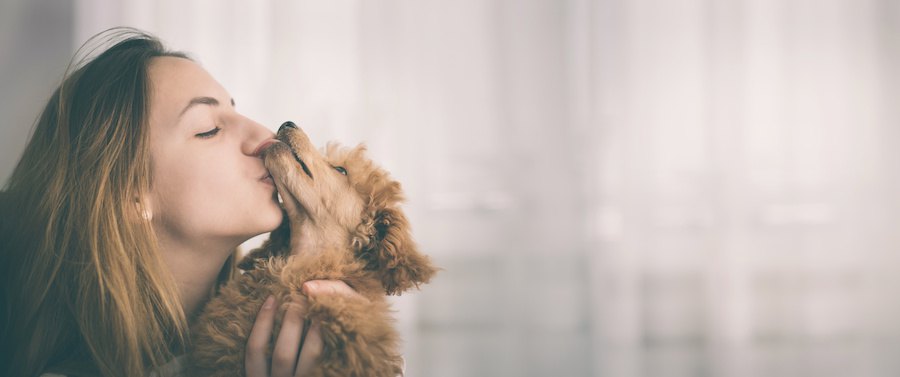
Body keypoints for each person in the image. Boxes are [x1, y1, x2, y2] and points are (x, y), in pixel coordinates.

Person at [0, 28, 363, 377]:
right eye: (209, 129)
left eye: (236, 111)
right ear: (131, 193)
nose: (266, 136)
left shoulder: (303, 328)